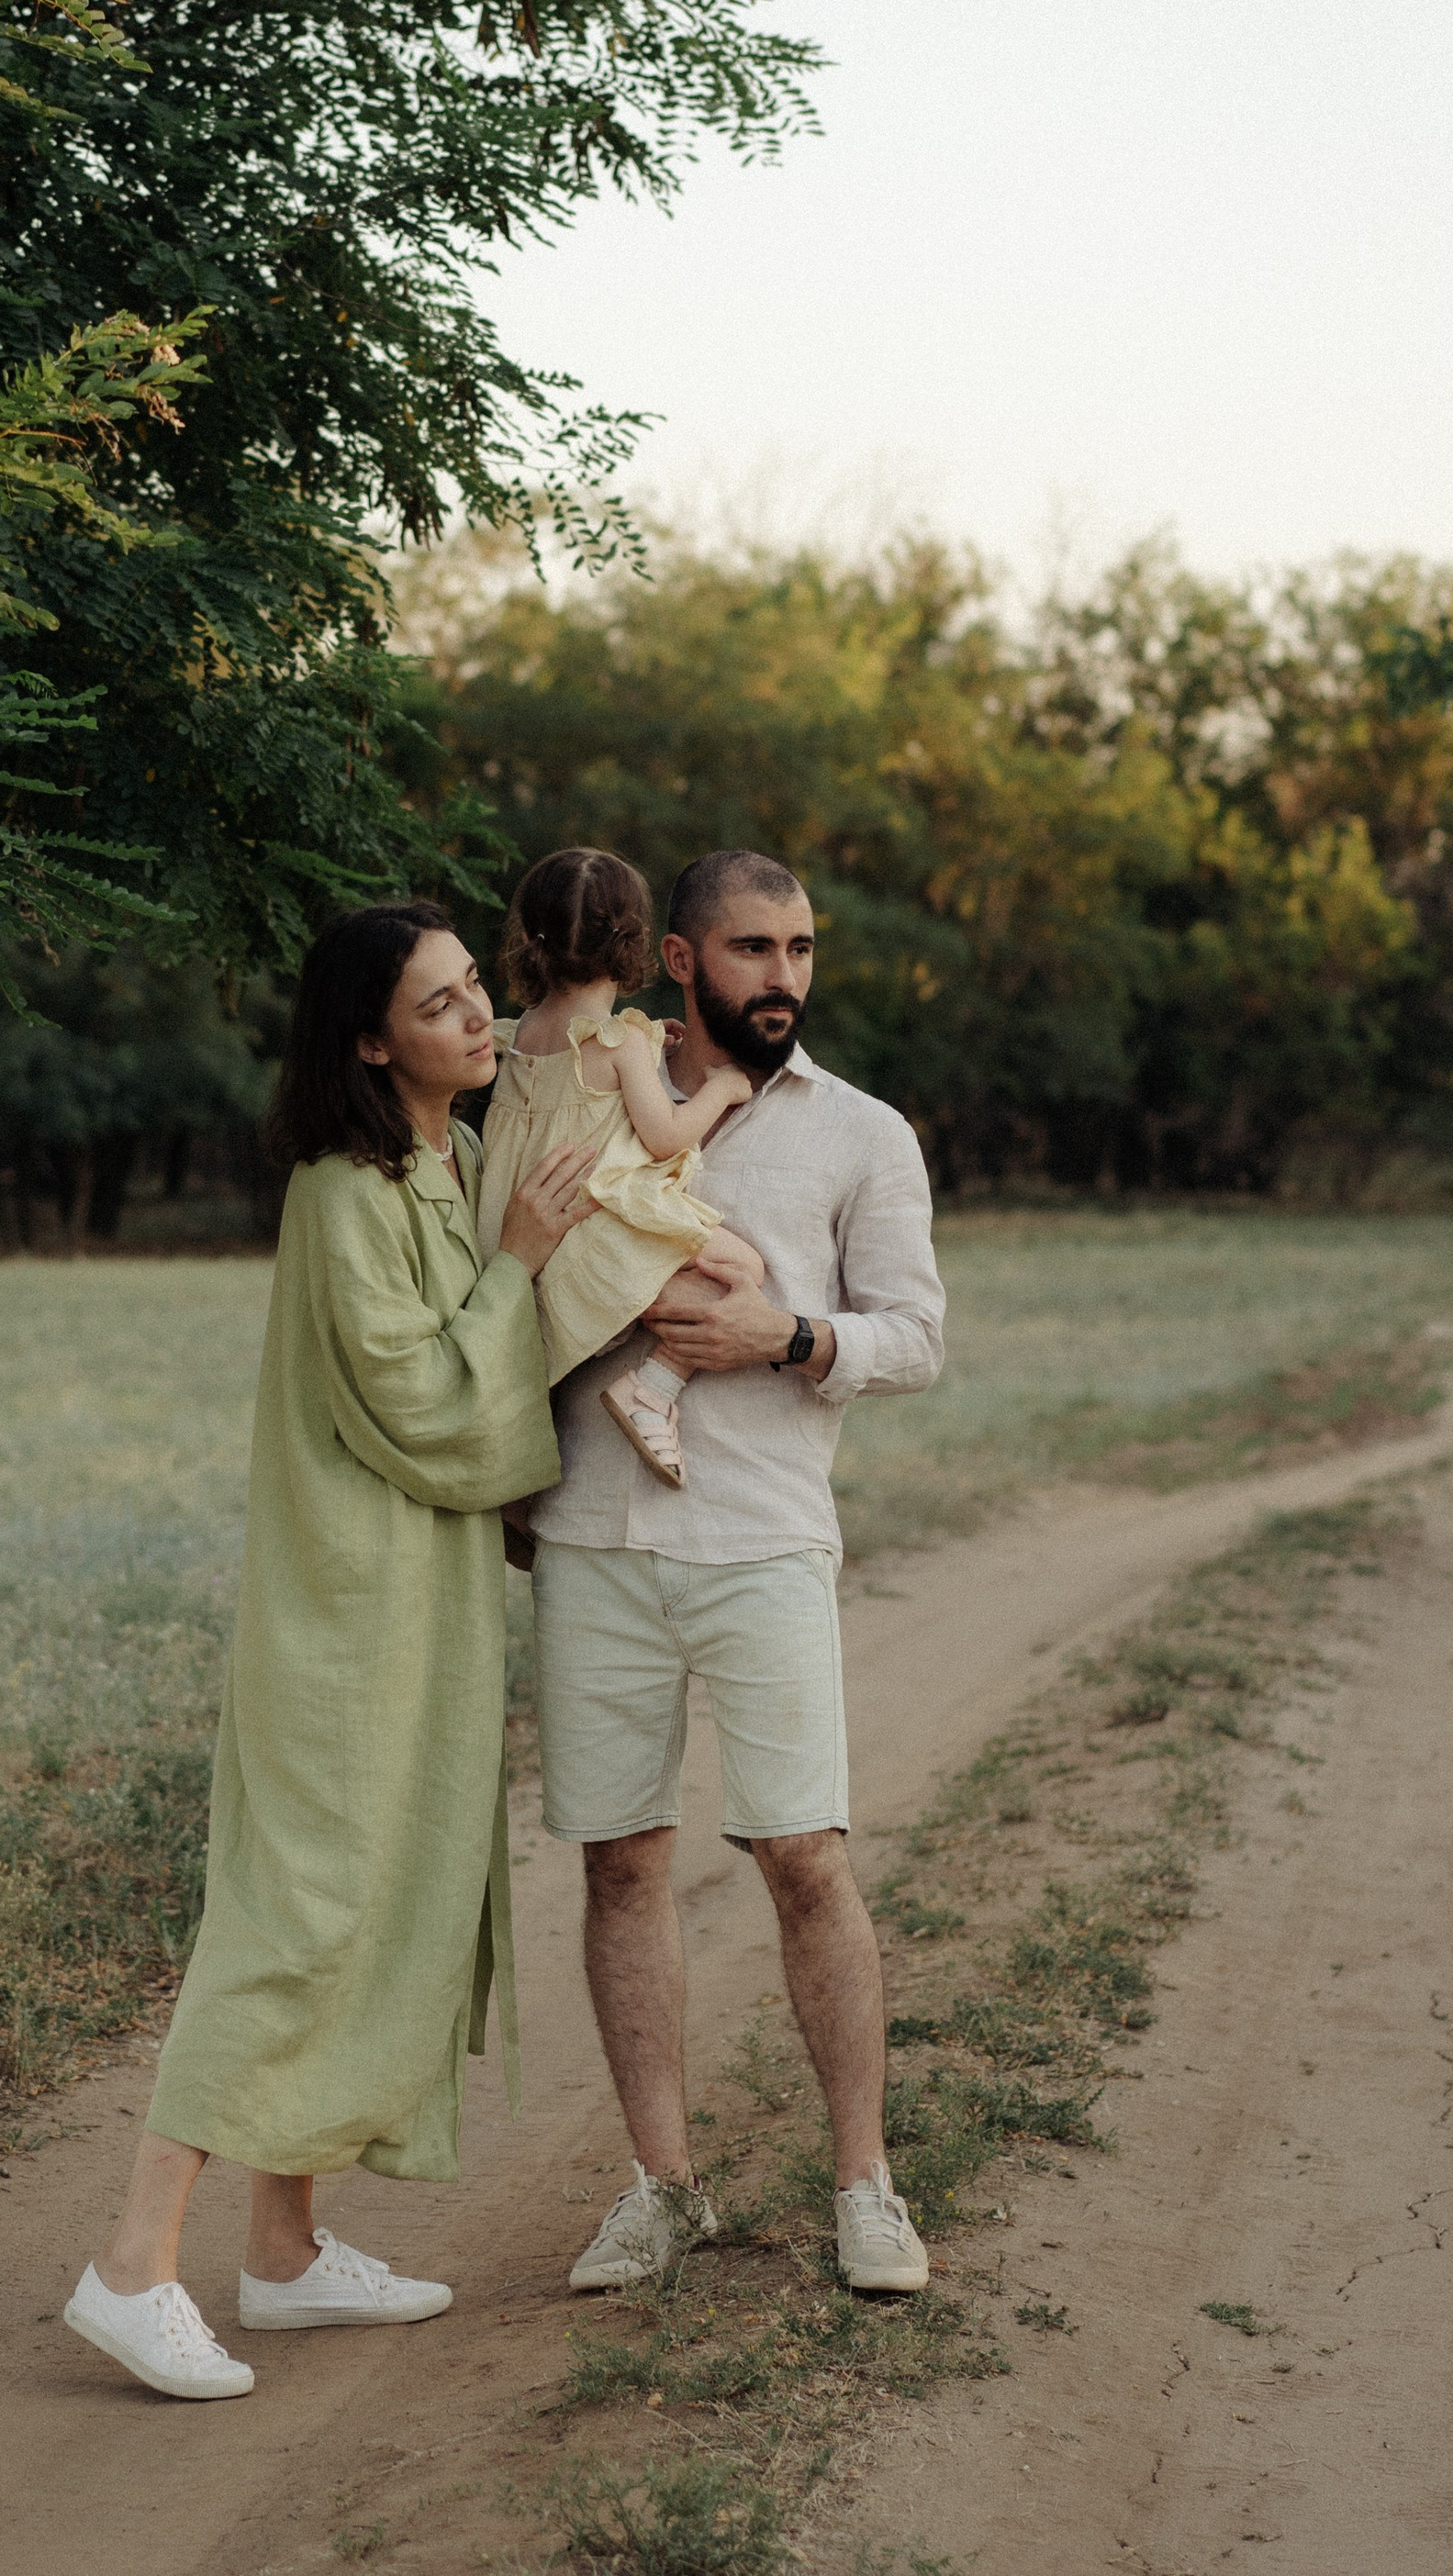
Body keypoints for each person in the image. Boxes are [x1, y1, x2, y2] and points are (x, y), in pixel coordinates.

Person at [64, 901, 597, 2403]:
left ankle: (285, 2254)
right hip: (343, 1616)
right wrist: (521, 1266)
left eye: (479, 987)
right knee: (291, 1923)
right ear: (372, 1040)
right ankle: (130, 2264)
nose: (479, 1018)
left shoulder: (449, 1153)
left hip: (420, 1601)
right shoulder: (341, 1192)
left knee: (379, 1903)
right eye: (442, 1006)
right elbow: (430, 1407)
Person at [525, 849, 948, 2301]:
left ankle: (864, 2187)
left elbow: (918, 1337)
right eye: (756, 950)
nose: (786, 977)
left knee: (804, 1856)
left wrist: (787, 1339)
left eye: (804, 950)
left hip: (763, 1537)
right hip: (589, 1534)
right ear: (682, 962)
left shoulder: (863, 1133)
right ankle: (662, 2189)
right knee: (620, 1861)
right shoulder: (586, 1085)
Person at [478, 846, 768, 1489]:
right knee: (744, 1268)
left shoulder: (520, 1036)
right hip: (595, 1233)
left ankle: (517, 1491)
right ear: (633, 941)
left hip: (522, 1238)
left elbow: (574, 1098)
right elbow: (665, 1137)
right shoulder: (619, 1042)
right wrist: (720, 1090)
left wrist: (640, 1047)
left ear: (533, 939)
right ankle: (652, 1389)